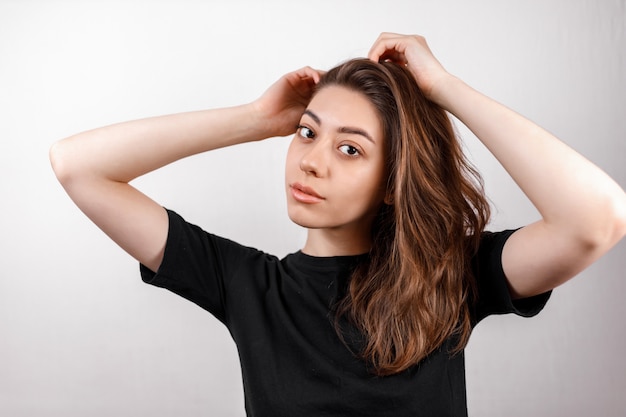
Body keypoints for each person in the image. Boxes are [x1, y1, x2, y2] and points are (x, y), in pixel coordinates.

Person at [49, 33, 626, 416]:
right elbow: (77, 166)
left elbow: (597, 219)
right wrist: (253, 119)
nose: (312, 160)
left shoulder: (452, 275)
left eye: (350, 149)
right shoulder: (247, 285)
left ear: (395, 180)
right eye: (307, 131)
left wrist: (444, 89)